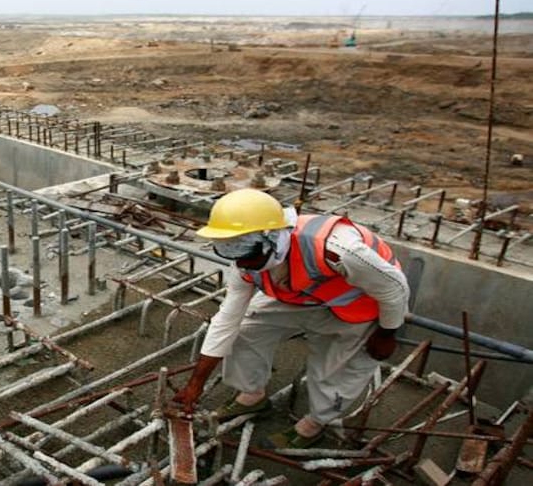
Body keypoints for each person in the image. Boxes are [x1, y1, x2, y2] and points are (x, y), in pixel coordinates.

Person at [173, 188, 409, 448]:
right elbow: (227, 320)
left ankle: (315, 424)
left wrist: (387, 333)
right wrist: (196, 384)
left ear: (272, 237)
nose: (239, 261)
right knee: (246, 329)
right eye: (228, 249)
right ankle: (252, 396)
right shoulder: (247, 261)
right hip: (299, 296)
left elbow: (394, 289)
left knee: (335, 366)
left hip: (356, 303)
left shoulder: (337, 249)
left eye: (243, 250)